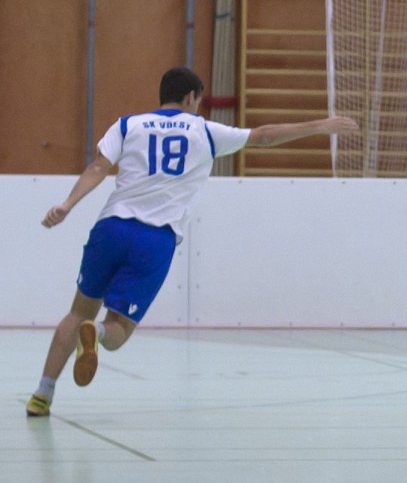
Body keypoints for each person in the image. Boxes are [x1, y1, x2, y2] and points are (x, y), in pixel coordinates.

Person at [25, 67, 358, 417]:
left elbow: (98, 167)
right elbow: (263, 136)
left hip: (112, 228)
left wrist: (67, 204)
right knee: (119, 328)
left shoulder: (127, 125)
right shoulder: (204, 131)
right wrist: (319, 125)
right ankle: (97, 333)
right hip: (155, 239)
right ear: (190, 98)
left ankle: (42, 394)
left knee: (77, 312)